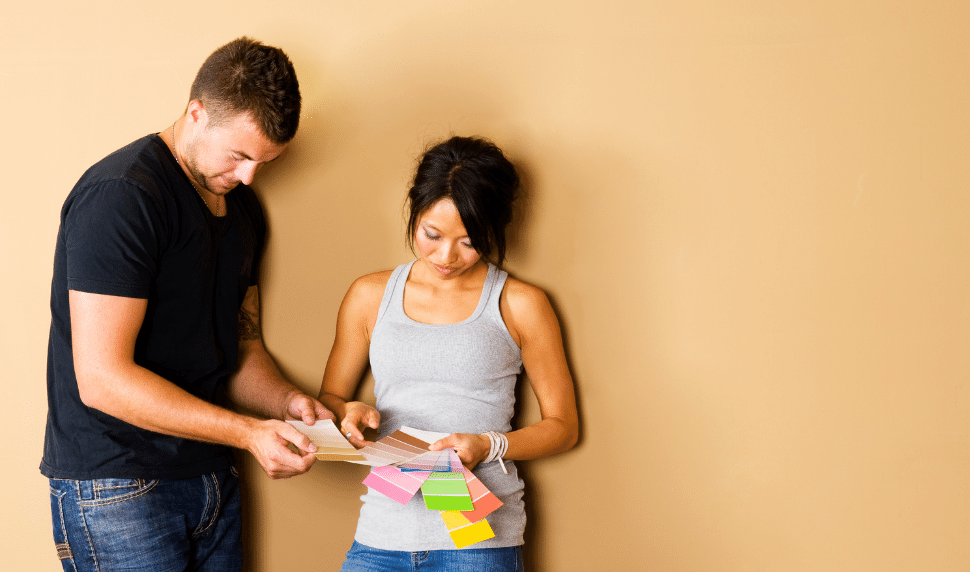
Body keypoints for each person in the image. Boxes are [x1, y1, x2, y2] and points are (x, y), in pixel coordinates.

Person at [40, 37, 335, 572]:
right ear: (196, 113)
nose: (249, 177)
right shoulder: (122, 197)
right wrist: (248, 433)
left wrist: (286, 402)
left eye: (264, 162)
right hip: (119, 485)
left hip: (210, 478)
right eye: (240, 155)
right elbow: (102, 379)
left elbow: (240, 350)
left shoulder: (243, 210)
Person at [318, 136, 582, 571]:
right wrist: (349, 413)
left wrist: (487, 445)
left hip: (479, 546)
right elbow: (330, 398)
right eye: (432, 234)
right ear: (414, 210)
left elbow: (563, 427)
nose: (446, 256)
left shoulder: (520, 303)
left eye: (470, 241)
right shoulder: (369, 295)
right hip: (382, 534)